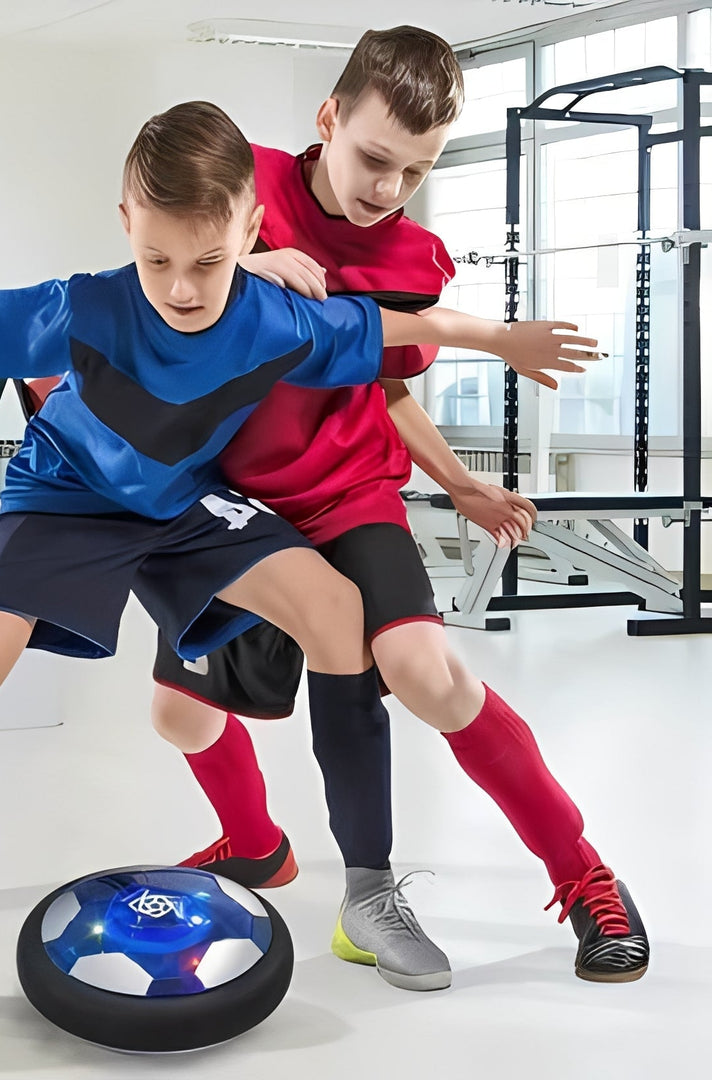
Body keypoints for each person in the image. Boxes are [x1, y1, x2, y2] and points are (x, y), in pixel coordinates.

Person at [0, 100, 553, 1013]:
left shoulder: (278, 319)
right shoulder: (87, 305)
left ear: (252, 232)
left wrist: (503, 339)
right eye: (157, 260)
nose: (181, 289)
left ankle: (370, 894)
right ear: (126, 225)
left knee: (339, 613)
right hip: (66, 500)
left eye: (208, 262)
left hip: (181, 504)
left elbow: (396, 328)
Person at [149, 27, 649, 990]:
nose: (389, 188)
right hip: (236, 506)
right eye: (376, 158)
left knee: (427, 673)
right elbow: (160, 269)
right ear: (328, 118)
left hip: (349, 496)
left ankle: (584, 875)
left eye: (416, 171)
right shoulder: (243, 183)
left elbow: (387, 387)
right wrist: (241, 265)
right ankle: (256, 846)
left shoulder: (417, 256)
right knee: (178, 714)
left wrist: (458, 481)